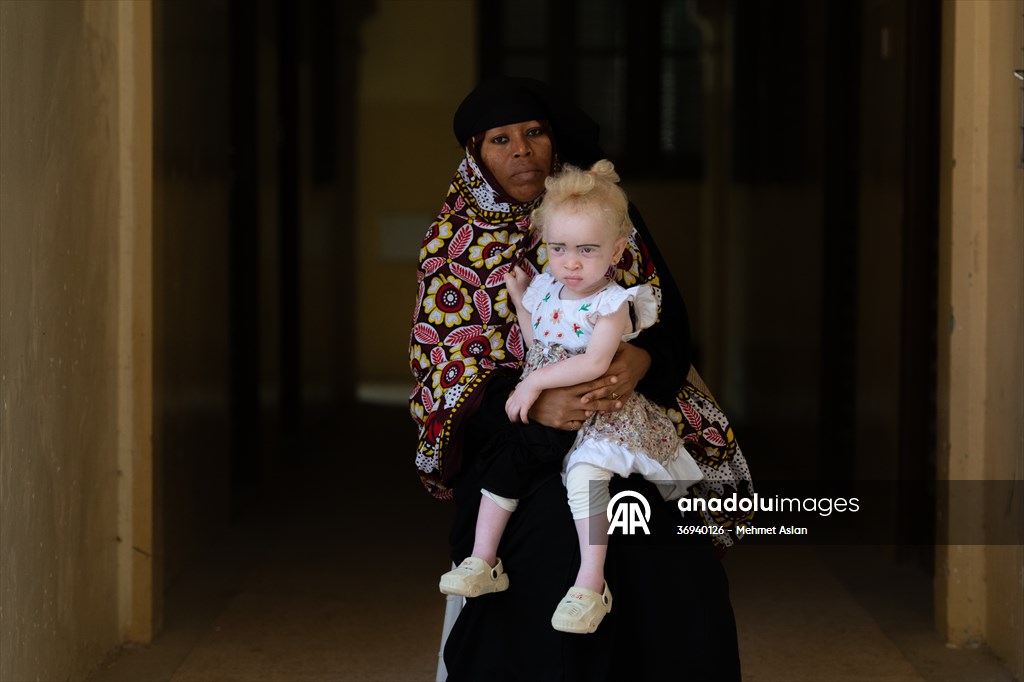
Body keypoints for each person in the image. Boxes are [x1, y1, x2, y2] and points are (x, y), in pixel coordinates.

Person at [408, 76, 753, 681]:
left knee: (652, 529)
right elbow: (441, 371)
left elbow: (668, 323)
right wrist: (534, 406)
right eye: (500, 139)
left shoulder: (606, 215)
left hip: (623, 419)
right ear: (474, 153)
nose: (521, 150)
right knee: (545, 536)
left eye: (534, 133)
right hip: (516, 440)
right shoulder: (451, 243)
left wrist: (639, 362)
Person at [437, 158, 705, 636]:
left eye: (586, 249)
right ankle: (482, 561)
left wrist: (534, 383)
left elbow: (595, 364)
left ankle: (590, 582)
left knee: (585, 477)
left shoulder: (614, 303)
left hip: (601, 417)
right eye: (558, 249)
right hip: (553, 417)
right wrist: (523, 301)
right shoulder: (548, 288)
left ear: (618, 250)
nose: (571, 263)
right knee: (506, 464)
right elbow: (539, 340)